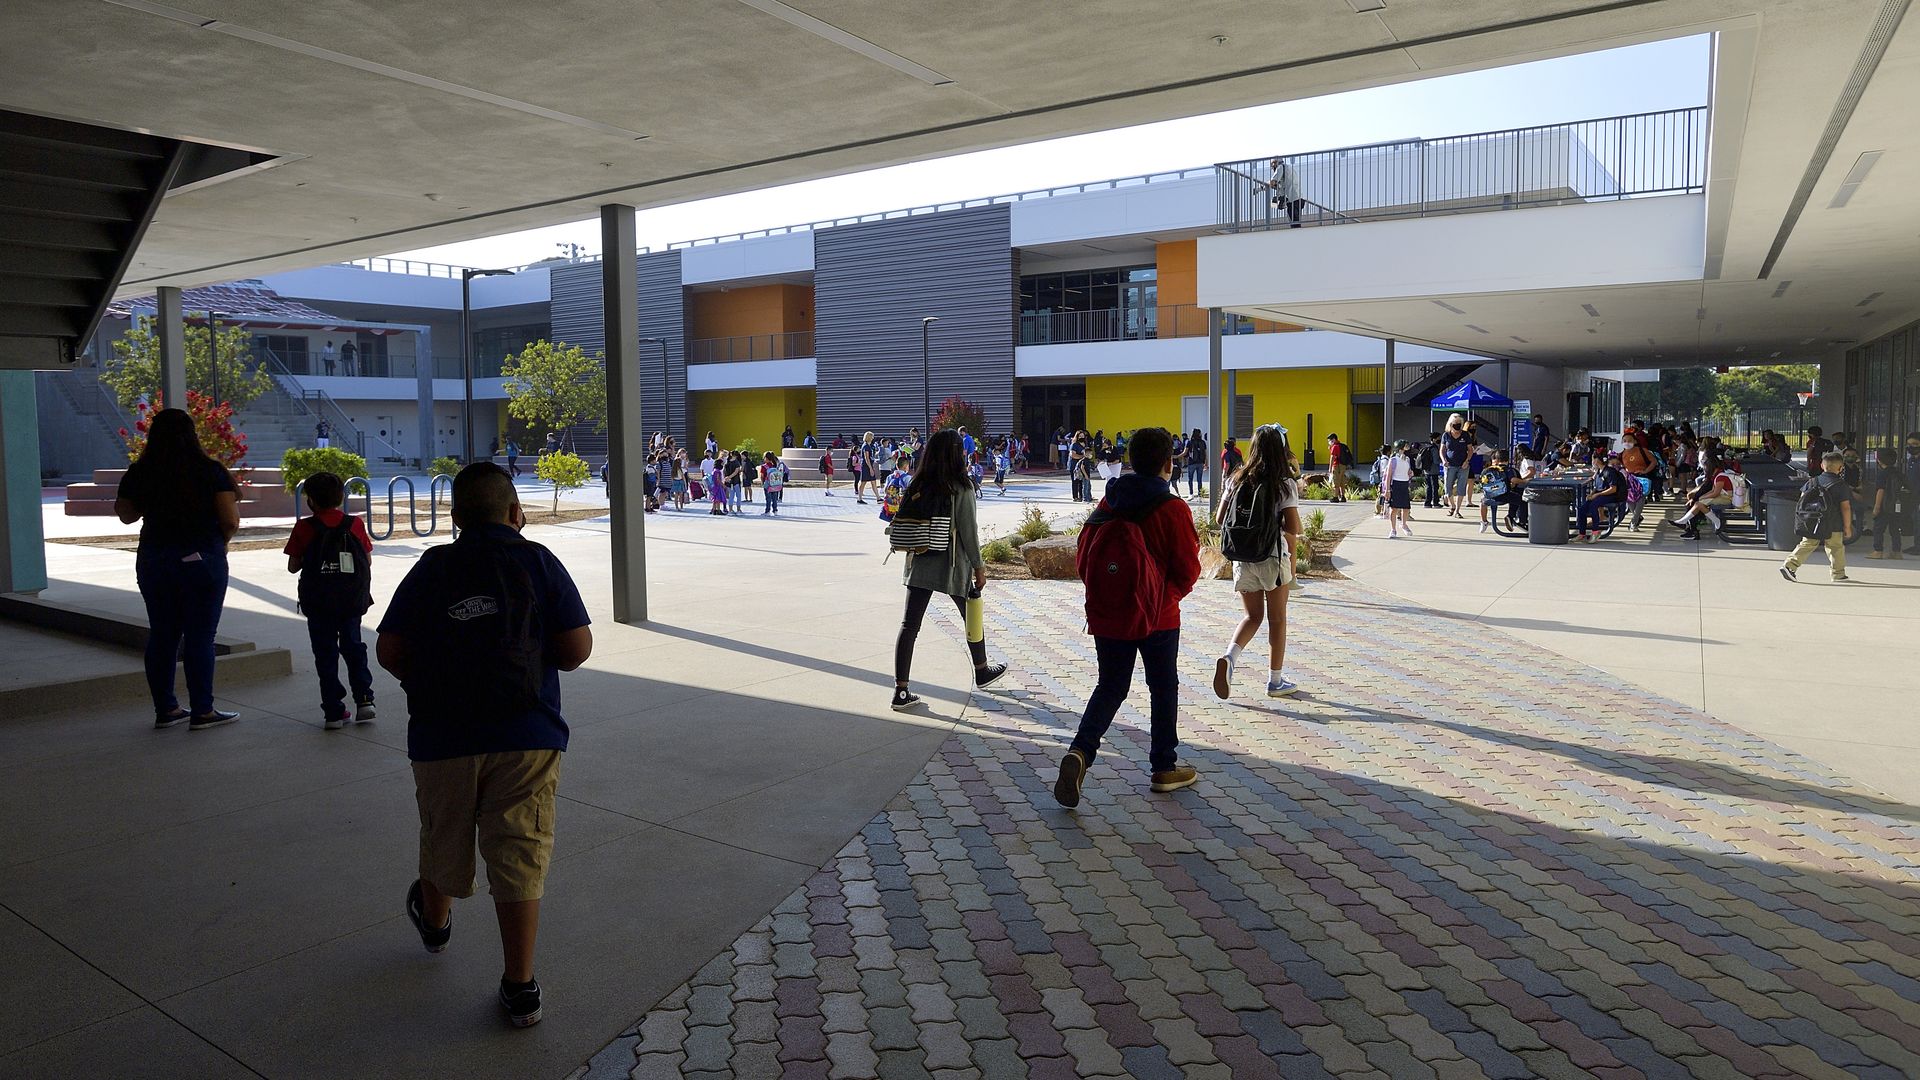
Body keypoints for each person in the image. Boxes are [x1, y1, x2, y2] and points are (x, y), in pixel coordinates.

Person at [377, 463, 591, 1028]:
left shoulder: (432, 567)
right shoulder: (537, 560)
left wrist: (435, 684)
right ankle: (520, 987)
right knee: (519, 851)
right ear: (515, 513)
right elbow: (576, 648)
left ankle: (436, 924)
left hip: (441, 736)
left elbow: (390, 650)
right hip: (527, 736)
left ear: (454, 518)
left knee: (443, 833)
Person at [1053, 427, 1202, 807]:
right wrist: (1161, 597)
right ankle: (1164, 767)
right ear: (1169, 463)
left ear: (1131, 461)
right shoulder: (1173, 508)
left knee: (1111, 685)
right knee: (1163, 686)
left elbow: (1084, 555)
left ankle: (1080, 752)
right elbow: (1187, 570)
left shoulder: (1108, 502)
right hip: (1159, 617)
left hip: (1110, 613)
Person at [115, 408, 241, 730]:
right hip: (201, 559)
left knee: (163, 635)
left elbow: (126, 515)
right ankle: (203, 711)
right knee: (200, 636)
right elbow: (229, 520)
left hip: (155, 560)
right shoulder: (210, 471)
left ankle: (167, 709)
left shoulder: (140, 472)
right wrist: (219, 543)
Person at [888, 430, 1007, 711]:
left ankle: (901, 691)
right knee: (971, 616)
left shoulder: (919, 482)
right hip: (952, 565)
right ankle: (981, 670)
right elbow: (969, 532)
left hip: (919, 561)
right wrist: (979, 566)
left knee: (909, 626)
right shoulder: (961, 488)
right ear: (956, 453)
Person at [1213, 425, 1303, 700]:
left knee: (1252, 616)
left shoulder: (1236, 478)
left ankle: (1229, 657)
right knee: (1277, 620)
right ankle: (1275, 680)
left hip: (1242, 557)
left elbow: (1219, 519)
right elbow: (1294, 527)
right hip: (1272, 558)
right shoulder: (1283, 482)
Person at [284, 471, 376, 729]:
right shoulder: (354, 524)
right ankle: (365, 700)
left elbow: (293, 566)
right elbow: (367, 560)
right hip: (349, 600)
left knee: (325, 654)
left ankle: (334, 711)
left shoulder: (304, 527)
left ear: (310, 500)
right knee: (354, 647)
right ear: (341, 497)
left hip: (319, 602)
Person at [1781, 453, 1855, 582]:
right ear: (1841, 468)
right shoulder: (1841, 485)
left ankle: (1790, 565)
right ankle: (1838, 574)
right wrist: (1848, 526)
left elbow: (1802, 500)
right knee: (1836, 547)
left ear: (1822, 466)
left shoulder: (1812, 481)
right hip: (1833, 523)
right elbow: (1845, 507)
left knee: (1808, 543)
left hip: (1812, 521)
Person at [1576, 454, 1629, 543]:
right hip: (1601, 494)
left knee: (1593, 505)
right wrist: (1591, 494)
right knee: (1582, 509)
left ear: (1597, 460)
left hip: (1612, 496)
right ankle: (1582, 533)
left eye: (1593, 459)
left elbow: (1613, 489)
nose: (1592, 462)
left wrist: (1597, 495)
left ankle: (1595, 532)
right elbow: (1596, 487)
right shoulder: (1598, 472)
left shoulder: (1609, 472)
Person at [1868, 447, 1906, 560]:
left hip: (1884, 505)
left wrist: (1876, 506)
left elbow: (1881, 490)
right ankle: (1897, 551)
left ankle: (1877, 551)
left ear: (1879, 460)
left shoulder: (1882, 474)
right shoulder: (1898, 472)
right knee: (1895, 529)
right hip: (1897, 505)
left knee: (1878, 529)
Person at [1477, 450, 1521, 534]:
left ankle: (1484, 521)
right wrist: (1525, 481)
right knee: (1519, 498)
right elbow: (1513, 481)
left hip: (1489, 497)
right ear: (1508, 460)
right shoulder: (1508, 470)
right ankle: (1511, 517)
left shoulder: (1486, 470)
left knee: (1482, 501)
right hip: (1504, 496)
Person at [1441, 414, 1473, 518]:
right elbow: (1442, 450)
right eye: (1455, 425)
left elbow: (1470, 450)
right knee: (1448, 487)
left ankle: (1457, 510)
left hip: (1463, 465)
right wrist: (1444, 460)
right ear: (1450, 424)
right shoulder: (1446, 435)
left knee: (1461, 487)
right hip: (1450, 465)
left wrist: (1467, 461)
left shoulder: (1465, 435)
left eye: (1459, 424)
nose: (1457, 427)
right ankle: (1452, 506)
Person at [1382, 440, 1414, 538]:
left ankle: (1404, 524)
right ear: (1401, 447)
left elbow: (1408, 471)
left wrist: (1410, 473)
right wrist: (1387, 490)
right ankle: (1393, 529)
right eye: (1405, 446)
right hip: (1396, 484)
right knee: (1394, 508)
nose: (1407, 447)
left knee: (1406, 507)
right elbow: (1388, 476)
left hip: (1404, 484)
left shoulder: (1407, 459)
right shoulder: (1393, 460)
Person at [1266, 156, 1305, 228]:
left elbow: (1272, 182)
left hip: (1292, 199)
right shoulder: (1289, 168)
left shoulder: (1280, 167)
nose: (1272, 167)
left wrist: (1264, 185)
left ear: (1275, 163)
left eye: (1272, 164)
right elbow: (1285, 184)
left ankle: (1297, 237)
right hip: (1299, 198)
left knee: (1294, 223)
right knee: (1296, 221)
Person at [1418, 434, 1442, 509]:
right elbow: (1436, 460)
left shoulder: (1426, 447)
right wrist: (1442, 460)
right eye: (1438, 438)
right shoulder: (1434, 448)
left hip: (1426, 470)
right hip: (1433, 470)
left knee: (1429, 486)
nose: (1439, 439)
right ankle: (1435, 502)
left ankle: (1427, 502)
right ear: (1434, 439)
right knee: (1435, 487)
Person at [1325, 433, 1349, 502]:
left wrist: (1330, 467)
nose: (1329, 442)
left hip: (1336, 466)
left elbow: (1332, 457)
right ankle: (1343, 496)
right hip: (1343, 466)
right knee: (1342, 481)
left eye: (1330, 440)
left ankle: (1335, 497)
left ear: (1333, 440)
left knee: (1336, 481)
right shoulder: (1341, 446)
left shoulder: (1335, 447)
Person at [1184, 429, 1207, 494]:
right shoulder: (1203, 442)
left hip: (1192, 463)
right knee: (1199, 479)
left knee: (1190, 479)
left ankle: (1191, 493)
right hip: (1200, 463)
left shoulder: (1189, 442)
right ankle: (1200, 493)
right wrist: (1206, 463)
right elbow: (1205, 453)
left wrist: (1176, 456)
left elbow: (1185, 452)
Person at [724, 450, 746, 514]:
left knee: (731, 496)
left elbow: (724, 471)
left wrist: (727, 478)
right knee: (738, 496)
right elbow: (736, 472)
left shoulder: (727, 462)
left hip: (729, 482)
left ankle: (730, 510)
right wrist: (730, 477)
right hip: (736, 481)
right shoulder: (736, 462)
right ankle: (738, 510)